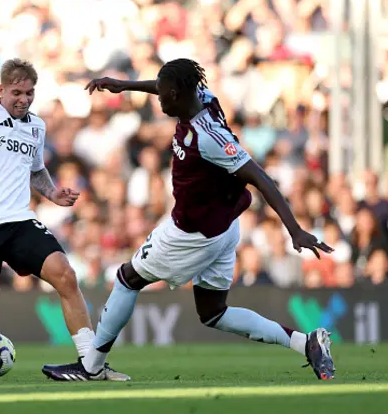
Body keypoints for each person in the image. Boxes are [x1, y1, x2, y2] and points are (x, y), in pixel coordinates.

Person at [42, 59, 336, 381]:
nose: (159, 100)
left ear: (177, 94)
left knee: (128, 278)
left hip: (192, 233)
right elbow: (163, 85)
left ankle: (92, 366)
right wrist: (125, 86)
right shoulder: (201, 97)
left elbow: (260, 177)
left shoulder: (206, 136)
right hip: (224, 225)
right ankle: (306, 343)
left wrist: (294, 230)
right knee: (213, 312)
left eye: (163, 95)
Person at [0, 58, 129, 382]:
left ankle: (91, 364)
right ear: (2, 89)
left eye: (29, 93)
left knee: (65, 275)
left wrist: (51, 193)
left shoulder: (36, 126)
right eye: (17, 92)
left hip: (19, 220)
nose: (23, 99)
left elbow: (35, 169)